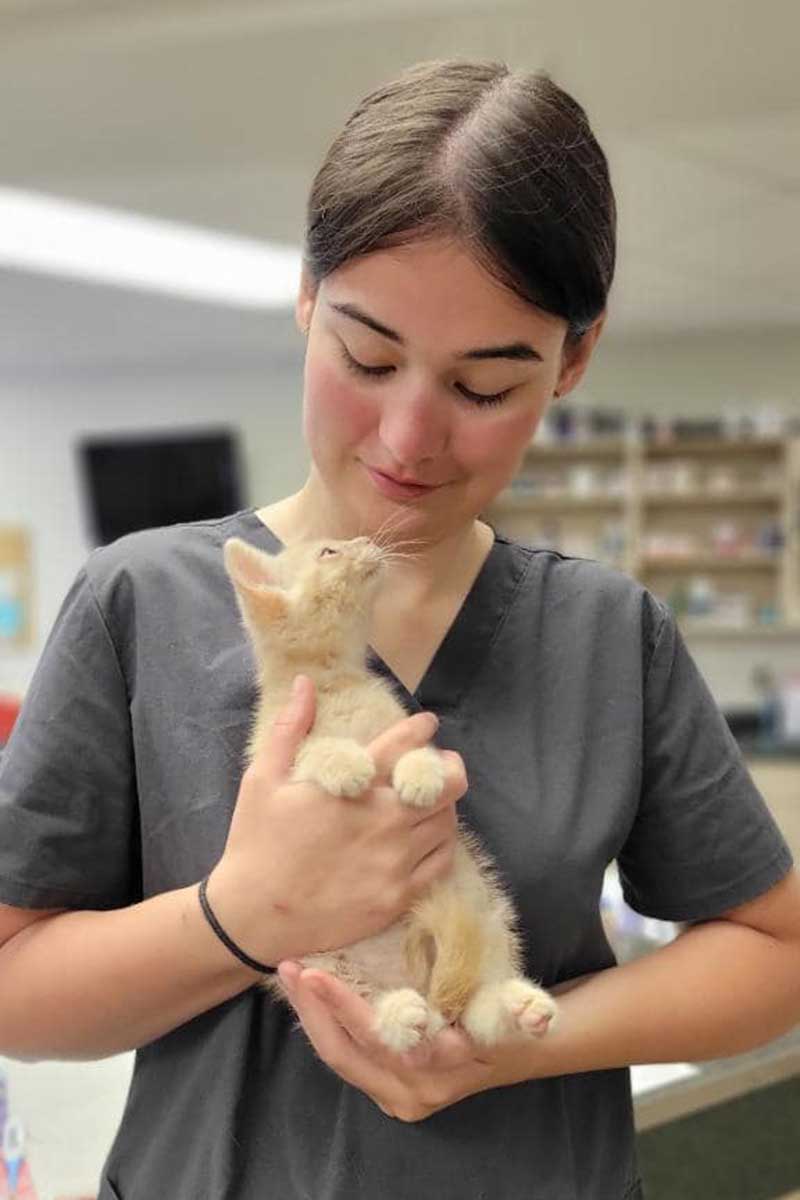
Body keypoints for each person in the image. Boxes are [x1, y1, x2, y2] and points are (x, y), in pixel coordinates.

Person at [0, 57, 798, 1200]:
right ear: (306, 300)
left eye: (483, 389)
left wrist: (508, 1045)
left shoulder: (606, 636)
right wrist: (238, 917)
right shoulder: (141, 607)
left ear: (571, 360)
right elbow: (13, 983)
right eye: (366, 358)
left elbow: (774, 955)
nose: (408, 437)